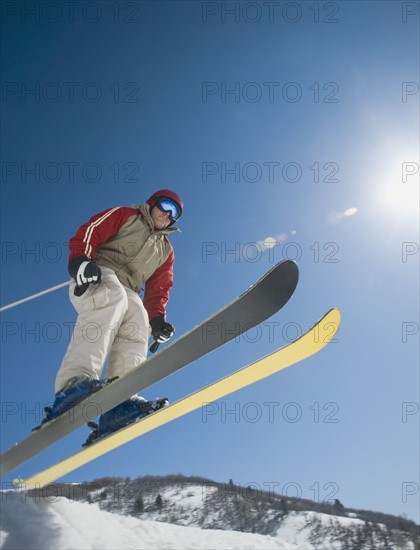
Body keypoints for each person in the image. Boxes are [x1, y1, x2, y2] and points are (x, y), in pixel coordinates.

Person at [42, 189, 183, 440]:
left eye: (174, 214)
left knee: (138, 322)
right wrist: (81, 261)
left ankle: (119, 404)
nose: (167, 214)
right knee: (112, 297)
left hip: (129, 290)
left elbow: (159, 288)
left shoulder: (165, 251)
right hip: (97, 273)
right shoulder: (126, 215)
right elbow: (91, 231)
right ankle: (73, 384)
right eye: (165, 206)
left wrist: (157, 320)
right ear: (151, 204)